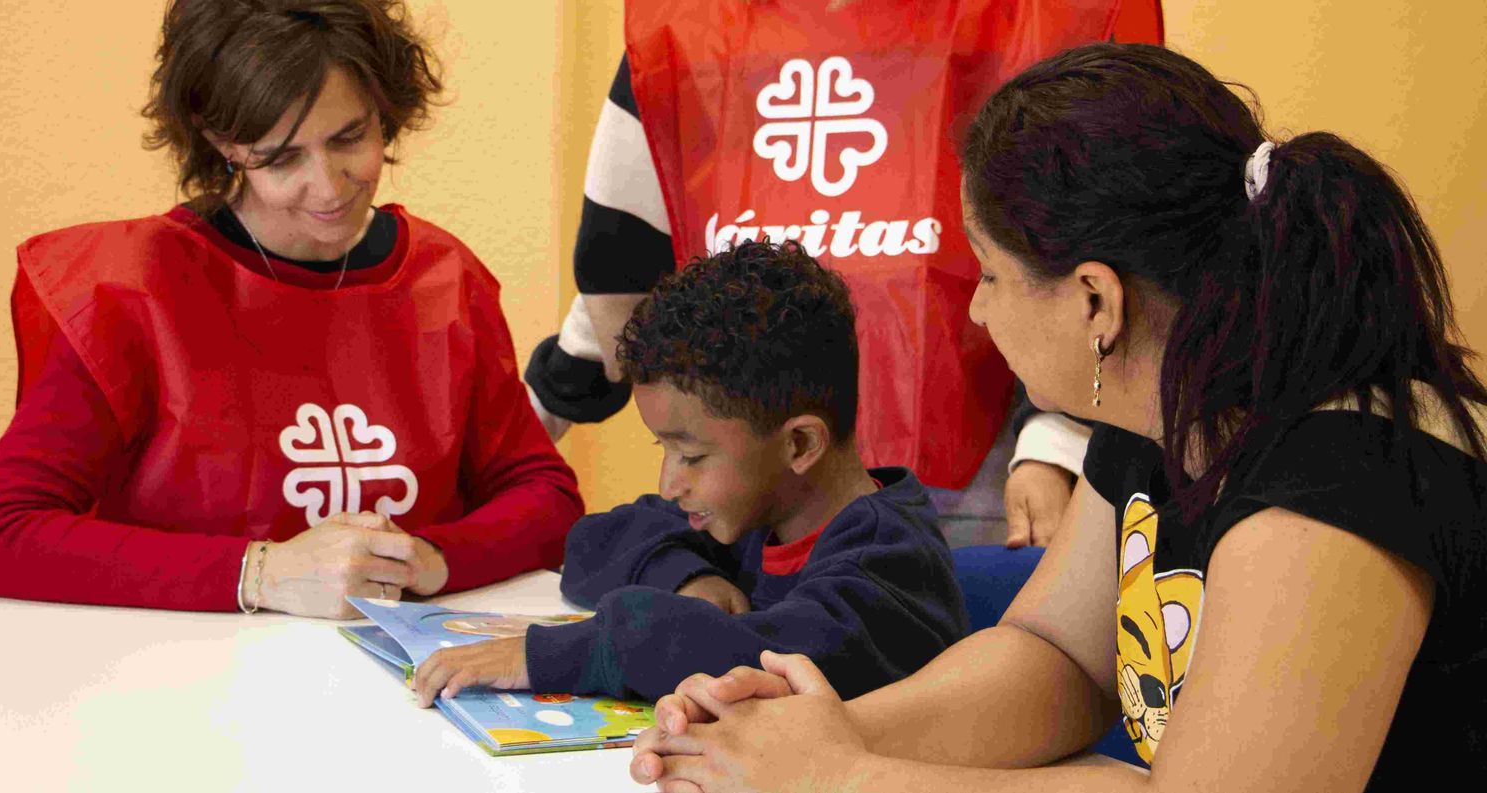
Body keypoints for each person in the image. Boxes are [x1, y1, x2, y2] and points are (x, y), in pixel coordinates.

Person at [628, 43, 1487, 791]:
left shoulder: (1339, 476)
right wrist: (824, 728)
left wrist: (844, 775)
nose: (978, 311)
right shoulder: (1162, 409)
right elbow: (1059, 658)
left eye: (992, 274)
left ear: (1094, 300)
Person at [525, 0, 1165, 549]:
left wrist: (1061, 442)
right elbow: (628, 251)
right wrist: (546, 406)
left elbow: (1121, 256)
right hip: (755, 480)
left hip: (985, 482)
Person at [0, 0, 584, 617]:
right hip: (177, 691)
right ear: (224, 142)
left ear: (385, 106)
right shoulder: (128, 294)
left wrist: (432, 559)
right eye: (282, 157)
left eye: (351, 137)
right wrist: (262, 572)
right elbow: (1, 535)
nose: (329, 187)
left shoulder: (445, 282)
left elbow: (545, 497)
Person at [409, 240, 967, 707]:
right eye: (665, 449)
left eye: (691, 456)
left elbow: (758, 655)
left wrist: (553, 654)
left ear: (799, 443)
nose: (669, 484)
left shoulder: (890, 565)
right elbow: (594, 540)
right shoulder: (759, 512)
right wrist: (685, 578)